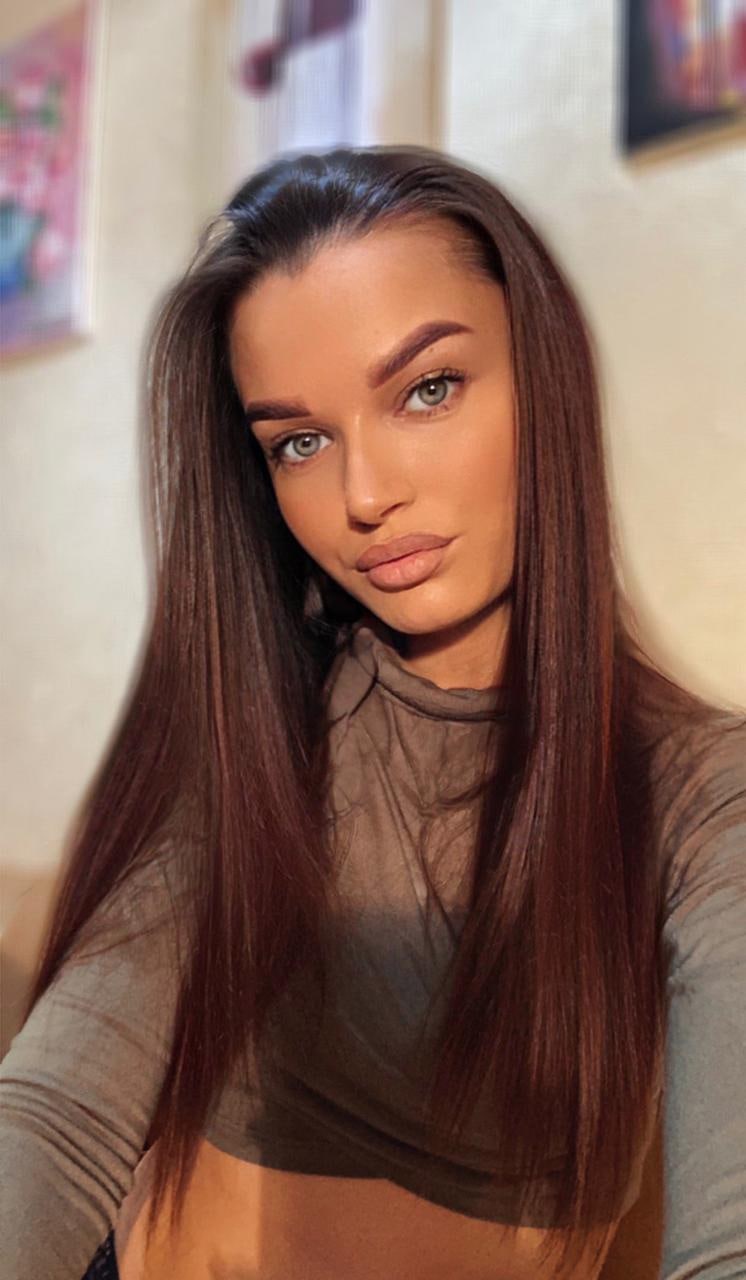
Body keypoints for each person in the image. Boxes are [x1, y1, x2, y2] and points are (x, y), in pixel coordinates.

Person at [1, 144, 744, 1280]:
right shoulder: (259, 734)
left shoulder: (698, 796)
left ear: (544, 379)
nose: (363, 495)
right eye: (298, 442)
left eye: (426, 389)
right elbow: (56, 1115)